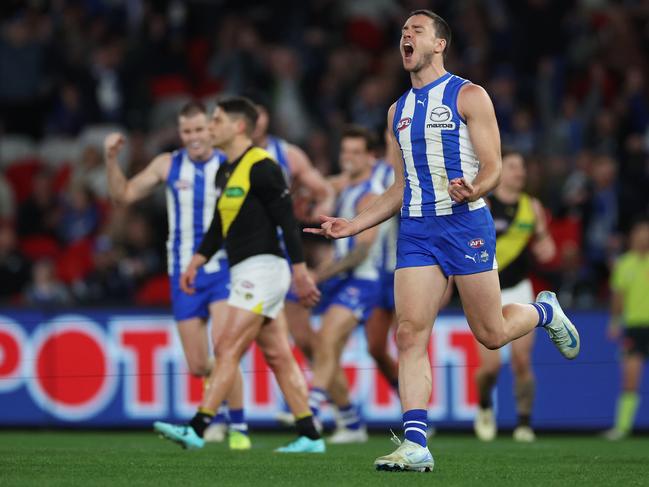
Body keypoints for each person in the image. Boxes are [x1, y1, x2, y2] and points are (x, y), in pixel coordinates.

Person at [306, 9, 580, 472]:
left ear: (439, 44)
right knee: (409, 333)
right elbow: (398, 186)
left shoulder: (469, 96)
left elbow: (493, 164)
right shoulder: (397, 112)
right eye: (402, 32)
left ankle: (544, 310)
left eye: (416, 31)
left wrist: (476, 186)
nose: (405, 37)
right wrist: (354, 224)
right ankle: (416, 443)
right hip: (415, 229)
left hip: (465, 225)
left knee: (491, 334)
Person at [153, 96, 325, 453]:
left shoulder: (262, 165)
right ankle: (310, 435)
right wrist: (197, 260)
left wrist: (300, 272)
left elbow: (288, 222)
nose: (209, 128)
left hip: (265, 268)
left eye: (215, 121)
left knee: (226, 346)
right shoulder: (225, 170)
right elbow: (220, 223)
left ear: (238, 127)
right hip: (245, 268)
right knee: (277, 354)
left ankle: (198, 428)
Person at [103, 101, 249, 449]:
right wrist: (111, 159)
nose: (194, 137)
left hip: (223, 268)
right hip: (182, 272)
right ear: (179, 133)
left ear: (211, 130)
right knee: (200, 364)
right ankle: (215, 408)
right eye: (187, 131)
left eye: (200, 130)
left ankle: (239, 428)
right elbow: (122, 195)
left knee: (225, 348)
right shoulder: (167, 164)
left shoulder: (231, 161)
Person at [473, 149, 556, 443]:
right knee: (490, 369)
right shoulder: (483, 203)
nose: (519, 172)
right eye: (513, 166)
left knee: (522, 361)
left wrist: (546, 247)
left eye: (522, 167)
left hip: (520, 290)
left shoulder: (532, 207)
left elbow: (546, 247)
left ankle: (523, 423)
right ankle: (484, 405)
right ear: (499, 169)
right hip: (487, 292)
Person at [308, 126, 384, 444]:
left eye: (356, 152)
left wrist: (319, 275)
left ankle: (308, 410)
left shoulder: (371, 194)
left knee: (326, 338)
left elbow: (362, 250)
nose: (348, 158)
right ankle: (351, 424)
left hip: (365, 279)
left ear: (371, 157)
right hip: (342, 279)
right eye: (345, 152)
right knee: (327, 349)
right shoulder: (346, 189)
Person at [604, 219, 649, 440]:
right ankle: (622, 427)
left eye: (646, 233)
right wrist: (614, 322)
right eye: (640, 233)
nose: (643, 237)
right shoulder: (624, 264)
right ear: (632, 237)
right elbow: (618, 297)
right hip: (634, 327)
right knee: (630, 377)